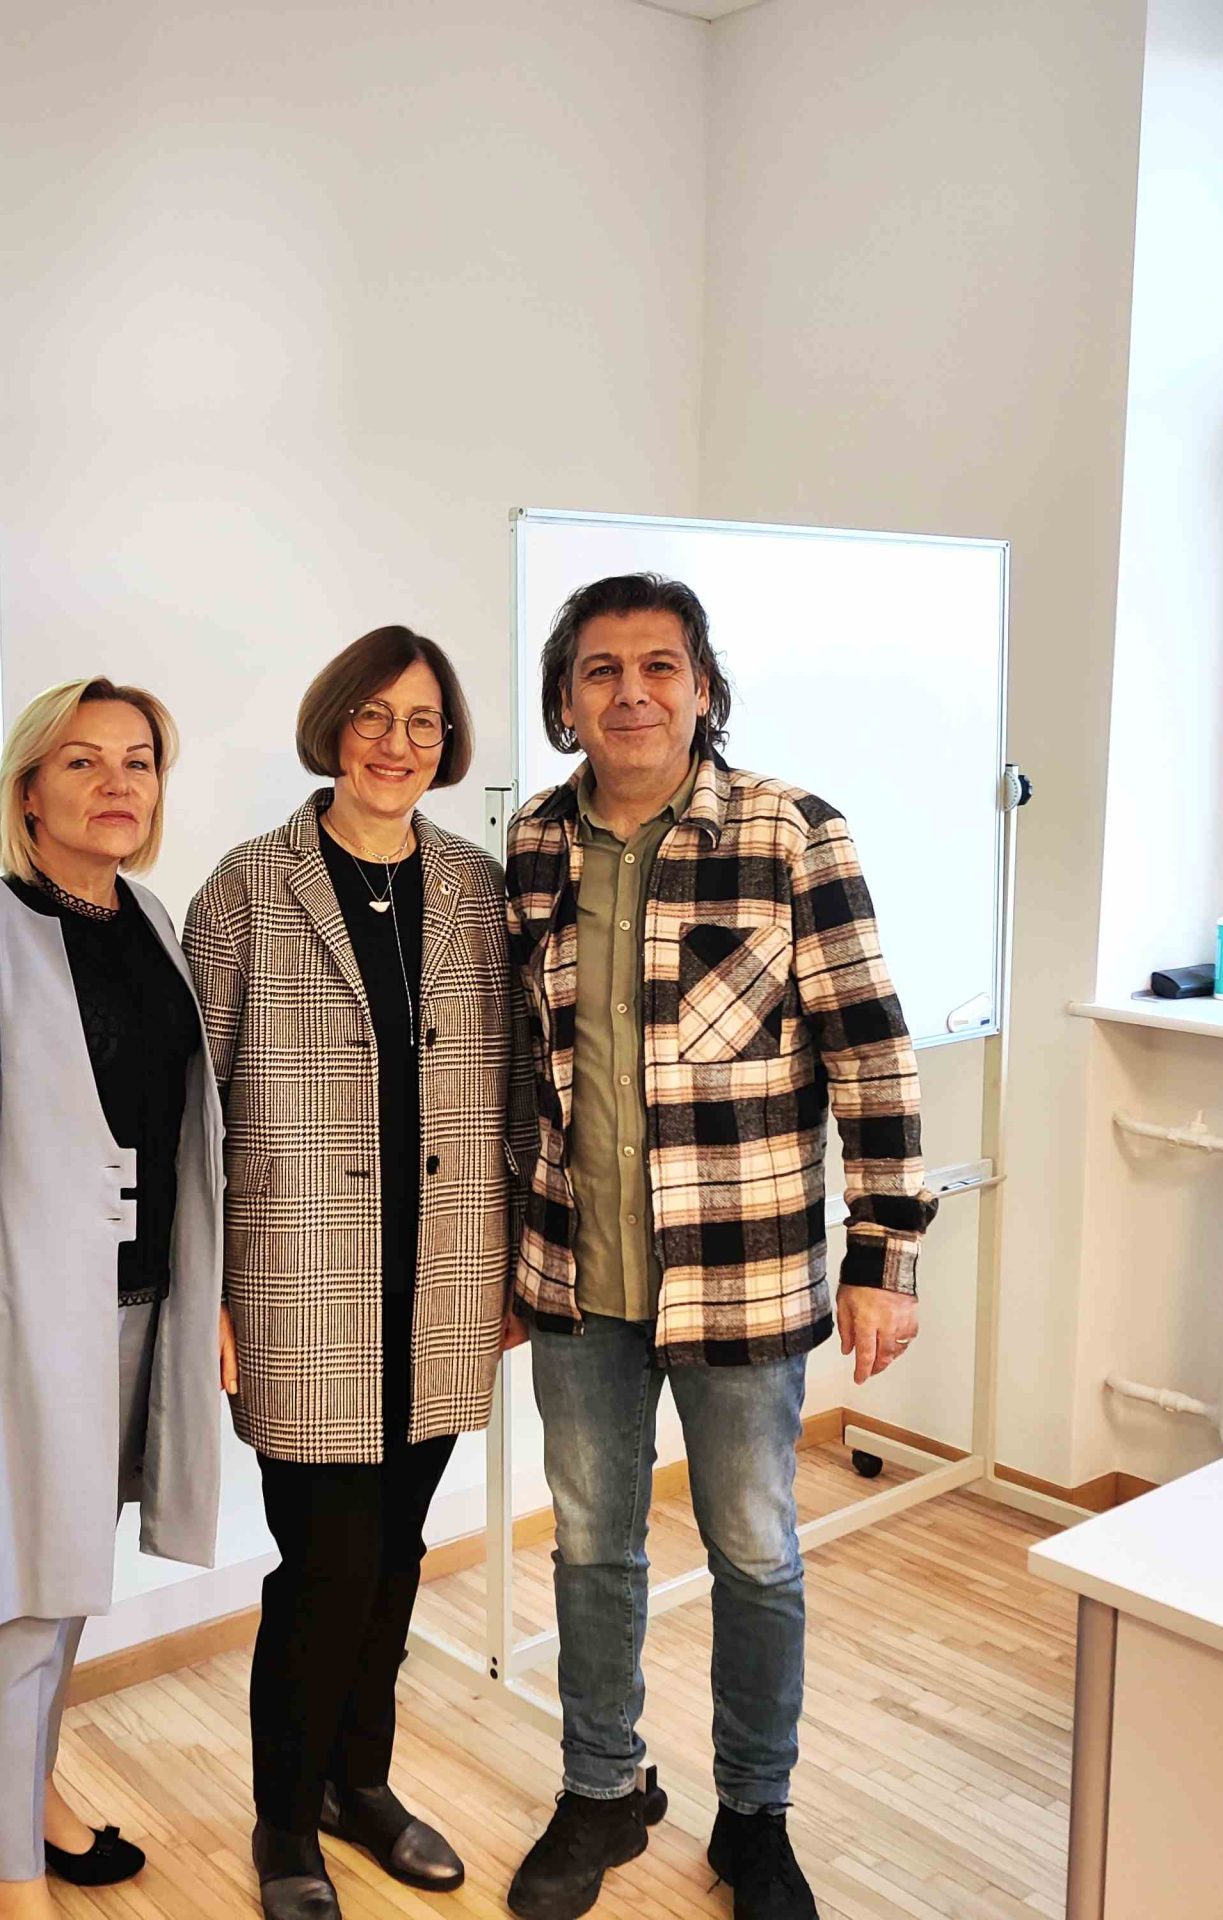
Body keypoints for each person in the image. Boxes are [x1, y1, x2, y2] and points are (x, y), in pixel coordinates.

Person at [500, 575, 937, 1920]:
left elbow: (869, 1048)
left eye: (659, 666)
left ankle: (755, 1814)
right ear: (565, 701)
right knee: (591, 1550)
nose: (630, 692)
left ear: (702, 688)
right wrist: (506, 1258)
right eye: (600, 670)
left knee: (753, 1551)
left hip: (744, 1274)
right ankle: (601, 1788)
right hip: (579, 1280)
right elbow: (521, 1070)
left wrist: (885, 1253)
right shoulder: (531, 844)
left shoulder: (790, 830)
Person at [183, 627, 528, 1920]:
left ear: (449, 743)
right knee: (321, 1568)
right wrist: (209, 1290)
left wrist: (511, 1267)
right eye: (374, 716)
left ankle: (359, 1786)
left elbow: (513, 1092)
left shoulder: (477, 887)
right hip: (297, 1286)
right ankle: (285, 1822)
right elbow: (189, 1109)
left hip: (441, 1279)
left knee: (393, 1560)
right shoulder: (248, 886)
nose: (397, 743)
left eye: (423, 722)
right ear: (333, 726)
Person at [0, 677, 225, 1920]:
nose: (117, 783)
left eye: (139, 759)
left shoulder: (152, 920)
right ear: (29, 791)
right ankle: (3, 1871)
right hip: (23, 1329)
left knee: (64, 1580)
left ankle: (26, 1799)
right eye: (82, 761)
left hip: (139, 1311)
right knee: (11, 1602)